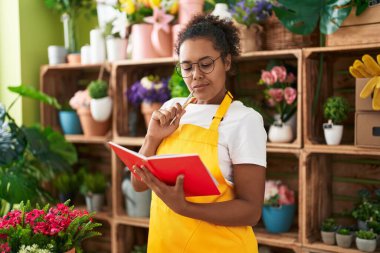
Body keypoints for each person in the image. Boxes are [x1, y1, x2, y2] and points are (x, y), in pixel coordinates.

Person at [131, 14, 267, 253]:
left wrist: (185, 208)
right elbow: (139, 185)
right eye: (187, 66)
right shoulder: (171, 110)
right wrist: (152, 138)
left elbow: (251, 211)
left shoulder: (244, 121)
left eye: (206, 64)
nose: (196, 75)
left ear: (226, 61)